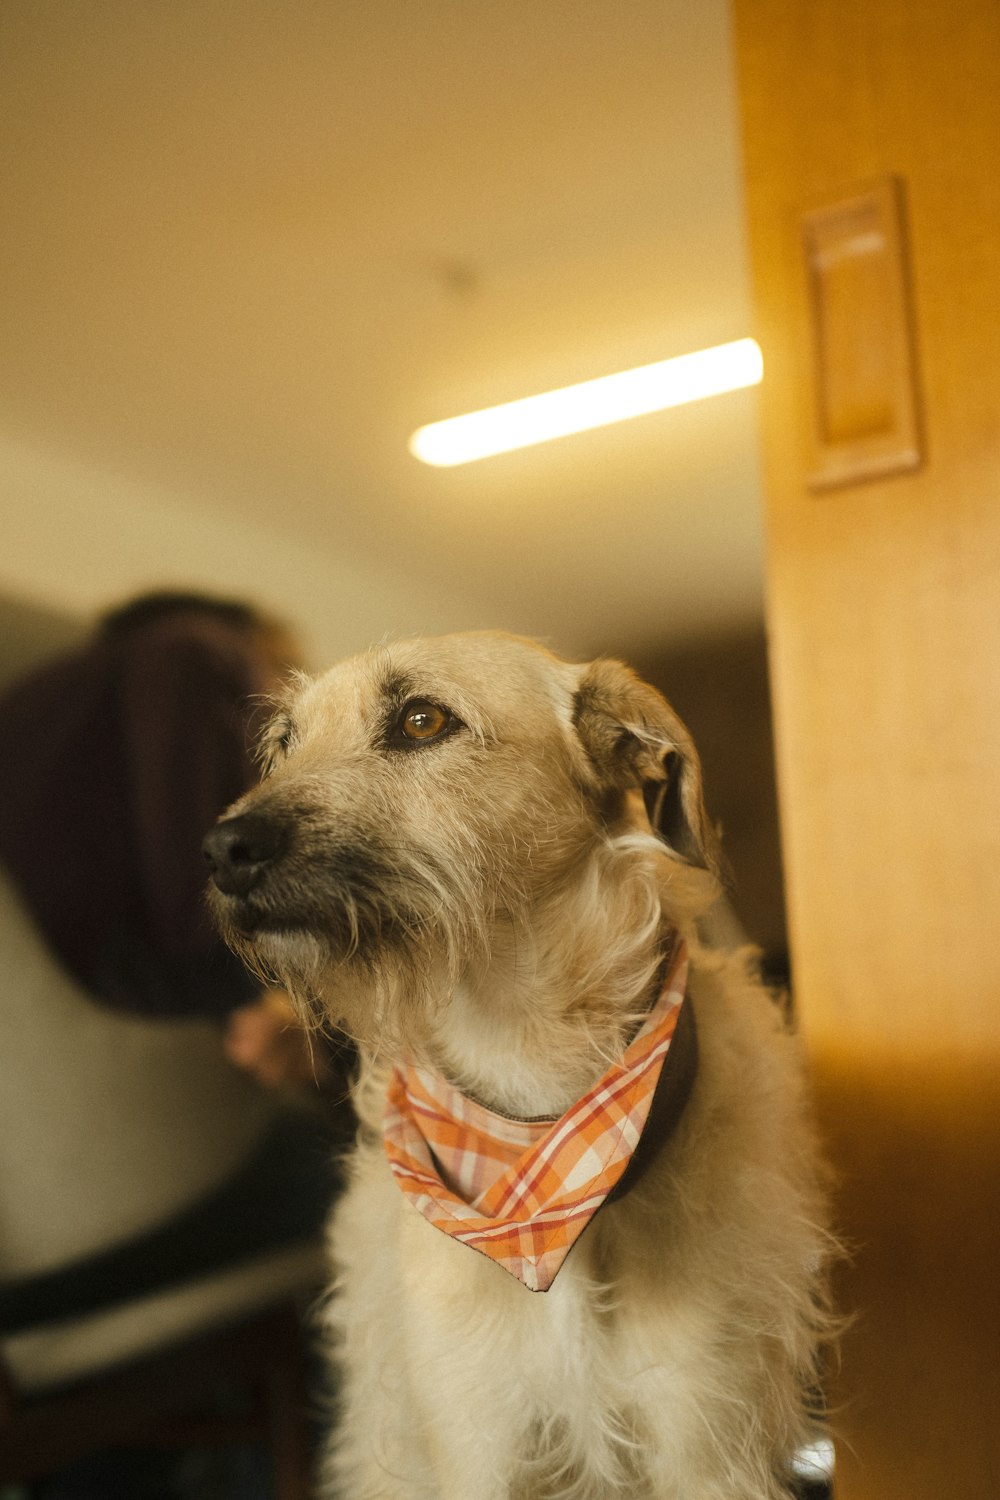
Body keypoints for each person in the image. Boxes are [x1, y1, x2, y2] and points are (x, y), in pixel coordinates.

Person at [0, 592, 353, 1443]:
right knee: (423, 1172)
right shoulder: (194, 648)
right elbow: (210, 900)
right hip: (151, 1178)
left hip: (37, 1245)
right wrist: (320, 1026)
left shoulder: (42, 710)